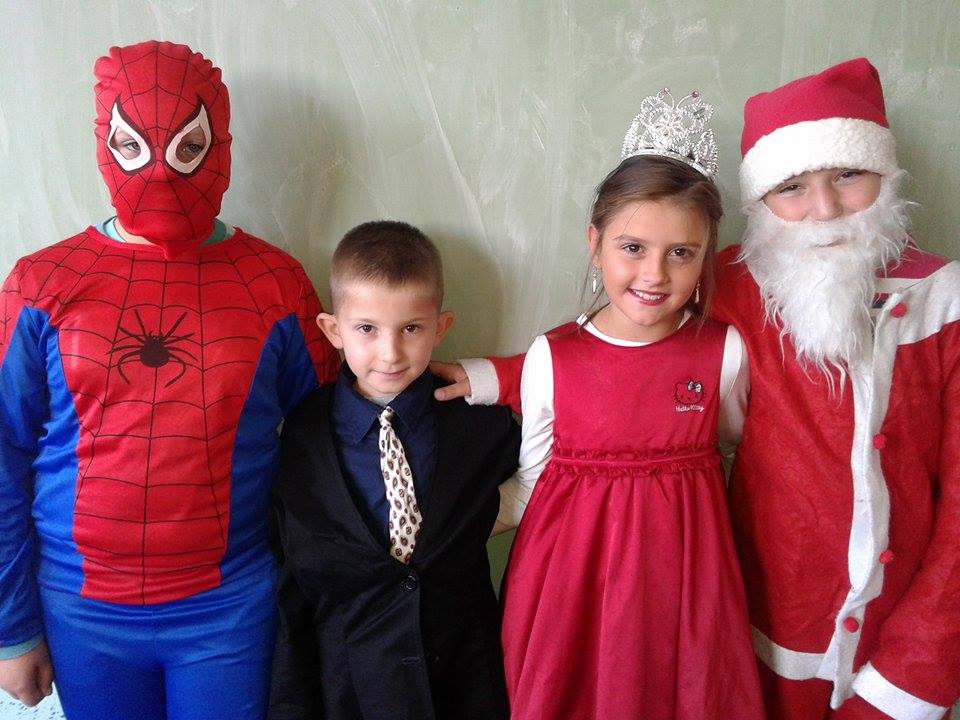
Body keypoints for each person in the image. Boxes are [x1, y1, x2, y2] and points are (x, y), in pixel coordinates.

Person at [440, 59, 960, 720]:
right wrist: (496, 376)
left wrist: (918, 673)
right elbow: (611, 358)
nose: (824, 210)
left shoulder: (940, 300)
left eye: (849, 175)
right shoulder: (741, 281)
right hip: (757, 627)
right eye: (793, 186)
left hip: (879, 634)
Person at [0, 40, 339, 719]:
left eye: (188, 148)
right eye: (132, 147)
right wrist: (13, 626)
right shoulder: (39, 284)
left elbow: (331, 441)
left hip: (231, 605)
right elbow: (4, 453)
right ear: (104, 143)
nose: (159, 172)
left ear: (220, 142)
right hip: (80, 606)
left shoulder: (275, 283)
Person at [489, 90, 764, 720]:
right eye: (633, 247)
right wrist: (449, 526)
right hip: (569, 589)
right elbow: (533, 479)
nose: (655, 274)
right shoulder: (552, 356)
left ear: (705, 254)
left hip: (684, 590)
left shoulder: (722, 352)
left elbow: (731, 442)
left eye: (681, 253)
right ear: (596, 243)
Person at [268, 221, 521, 720]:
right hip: (349, 680)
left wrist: (495, 378)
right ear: (334, 330)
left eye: (411, 328)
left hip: (461, 675)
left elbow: (563, 452)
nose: (390, 352)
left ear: (440, 327)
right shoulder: (304, 432)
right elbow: (293, 567)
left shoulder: (478, 424)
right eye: (367, 329)